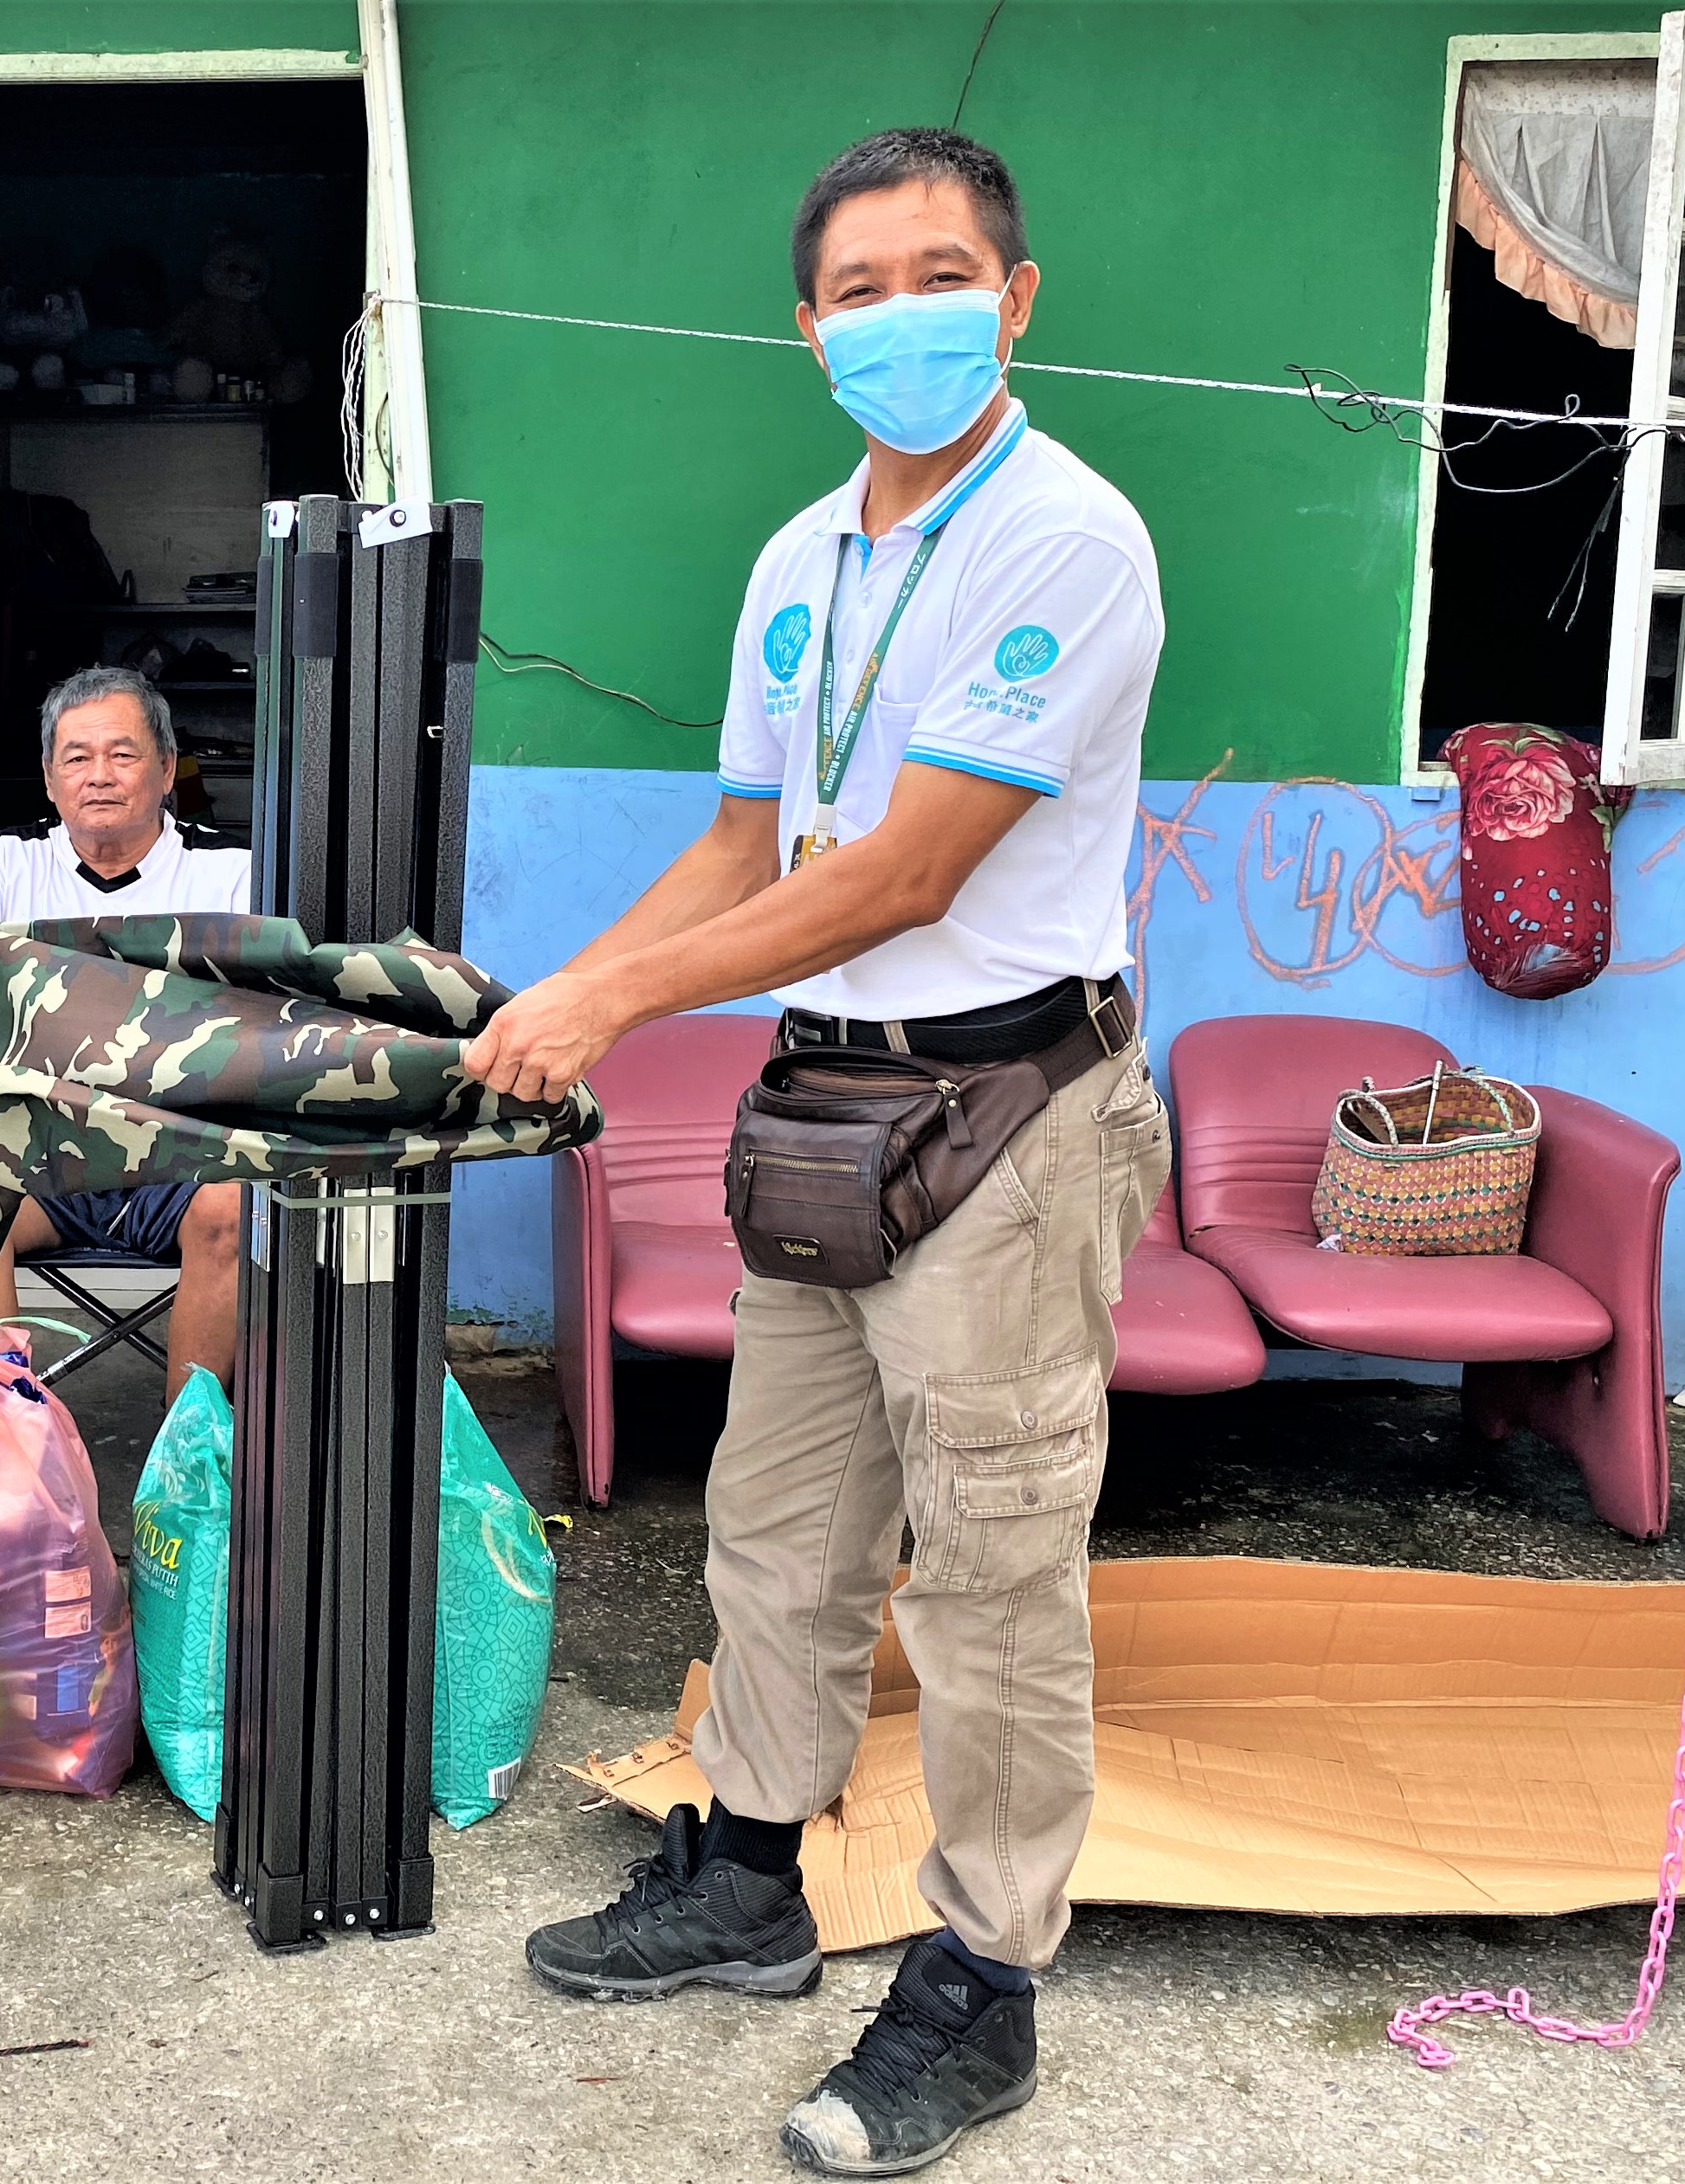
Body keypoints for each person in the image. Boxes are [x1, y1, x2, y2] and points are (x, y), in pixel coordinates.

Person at [465, 131, 1170, 2176]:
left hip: (1007, 1111)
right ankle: (748, 1875)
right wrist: (540, 994)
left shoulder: (1064, 540)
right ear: (804, 328)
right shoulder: (798, 562)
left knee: (993, 1574)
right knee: (774, 1529)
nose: (898, 317)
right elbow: (742, 845)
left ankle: (982, 1980)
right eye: (858, 290)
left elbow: (902, 870)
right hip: (820, 1113)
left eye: (938, 275)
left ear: (1013, 298)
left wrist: (611, 1007)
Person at [0, 667, 250, 1405]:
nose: (99, 775)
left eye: (122, 754)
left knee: (234, 1207)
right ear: (49, 777)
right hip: (43, 1157)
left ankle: (186, 1448)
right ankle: (6, 1432)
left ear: (167, 770)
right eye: (77, 757)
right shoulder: (5, 864)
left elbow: (265, 1023)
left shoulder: (231, 875)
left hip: (181, 1161)